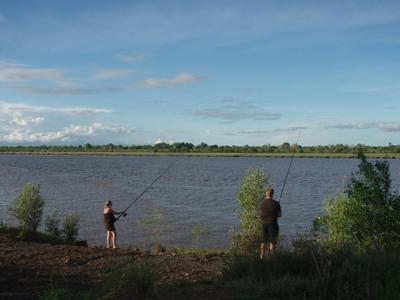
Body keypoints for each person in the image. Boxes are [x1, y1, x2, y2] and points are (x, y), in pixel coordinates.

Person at [260, 187, 282, 258]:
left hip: (264, 224)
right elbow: (280, 215)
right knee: (272, 243)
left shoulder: (262, 203)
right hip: (273, 225)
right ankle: (273, 259)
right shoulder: (276, 203)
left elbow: (262, 213)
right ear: (272, 194)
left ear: (266, 193)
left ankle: (261, 258)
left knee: (263, 241)